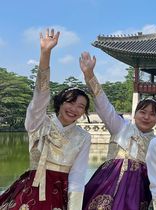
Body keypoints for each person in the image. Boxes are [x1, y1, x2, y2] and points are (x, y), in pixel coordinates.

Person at [0, 29, 91, 210]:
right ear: (59, 103)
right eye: (70, 102)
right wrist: (45, 54)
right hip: (31, 189)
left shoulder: (83, 137)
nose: (74, 109)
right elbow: (40, 97)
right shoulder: (39, 123)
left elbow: (78, 177)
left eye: (81, 106)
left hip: (60, 192)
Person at [80, 52, 156, 210]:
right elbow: (103, 104)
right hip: (110, 180)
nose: (146, 117)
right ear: (135, 114)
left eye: (152, 114)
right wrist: (90, 74)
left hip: (140, 188)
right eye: (142, 112)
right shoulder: (120, 126)